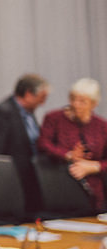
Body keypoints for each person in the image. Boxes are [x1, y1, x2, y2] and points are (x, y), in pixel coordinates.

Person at [36, 78, 107, 211]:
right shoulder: (54, 118)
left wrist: (94, 167)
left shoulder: (102, 126)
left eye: (82, 101)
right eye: (73, 99)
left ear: (94, 104)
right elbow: (43, 144)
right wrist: (68, 155)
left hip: (94, 194)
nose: (75, 104)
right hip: (60, 188)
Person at [0, 74, 49, 216]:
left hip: (31, 182)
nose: (42, 103)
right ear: (28, 94)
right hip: (12, 184)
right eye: (41, 97)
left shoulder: (30, 115)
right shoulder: (2, 112)